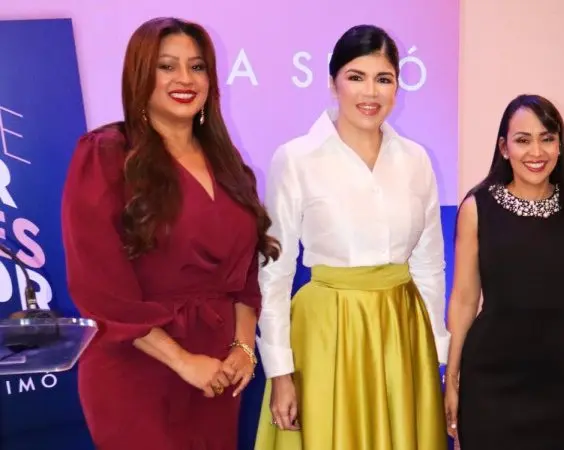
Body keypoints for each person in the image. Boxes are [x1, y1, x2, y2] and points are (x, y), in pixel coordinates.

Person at [61, 17, 277, 450]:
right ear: (141, 74)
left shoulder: (230, 166)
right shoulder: (105, 155)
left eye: (197, 67)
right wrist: (182, 360)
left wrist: (243, 347)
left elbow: (245, 278)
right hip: (137, 368)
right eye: (167, 66)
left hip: (217, 371)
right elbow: (100, 291)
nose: (185, 79)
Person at [254, 24, 449, 450]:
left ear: (398, 87)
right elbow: (275, 273)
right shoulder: (296, 158)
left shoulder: (416, 160)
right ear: (332, 83)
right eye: (356, 77)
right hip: (326, 334)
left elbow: (429, 264)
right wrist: (280, 371)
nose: (370, 92)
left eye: (384, 79)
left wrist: (436, 353)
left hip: (403, 332)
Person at [444, 94, 564, 449]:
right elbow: (463, 300)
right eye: (523, 140)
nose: (536, 152)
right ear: (504, 148)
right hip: (489, 378)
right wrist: (452, 378)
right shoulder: (477, 208)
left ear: (560, 145)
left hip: (561, 379)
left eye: (547, 138)